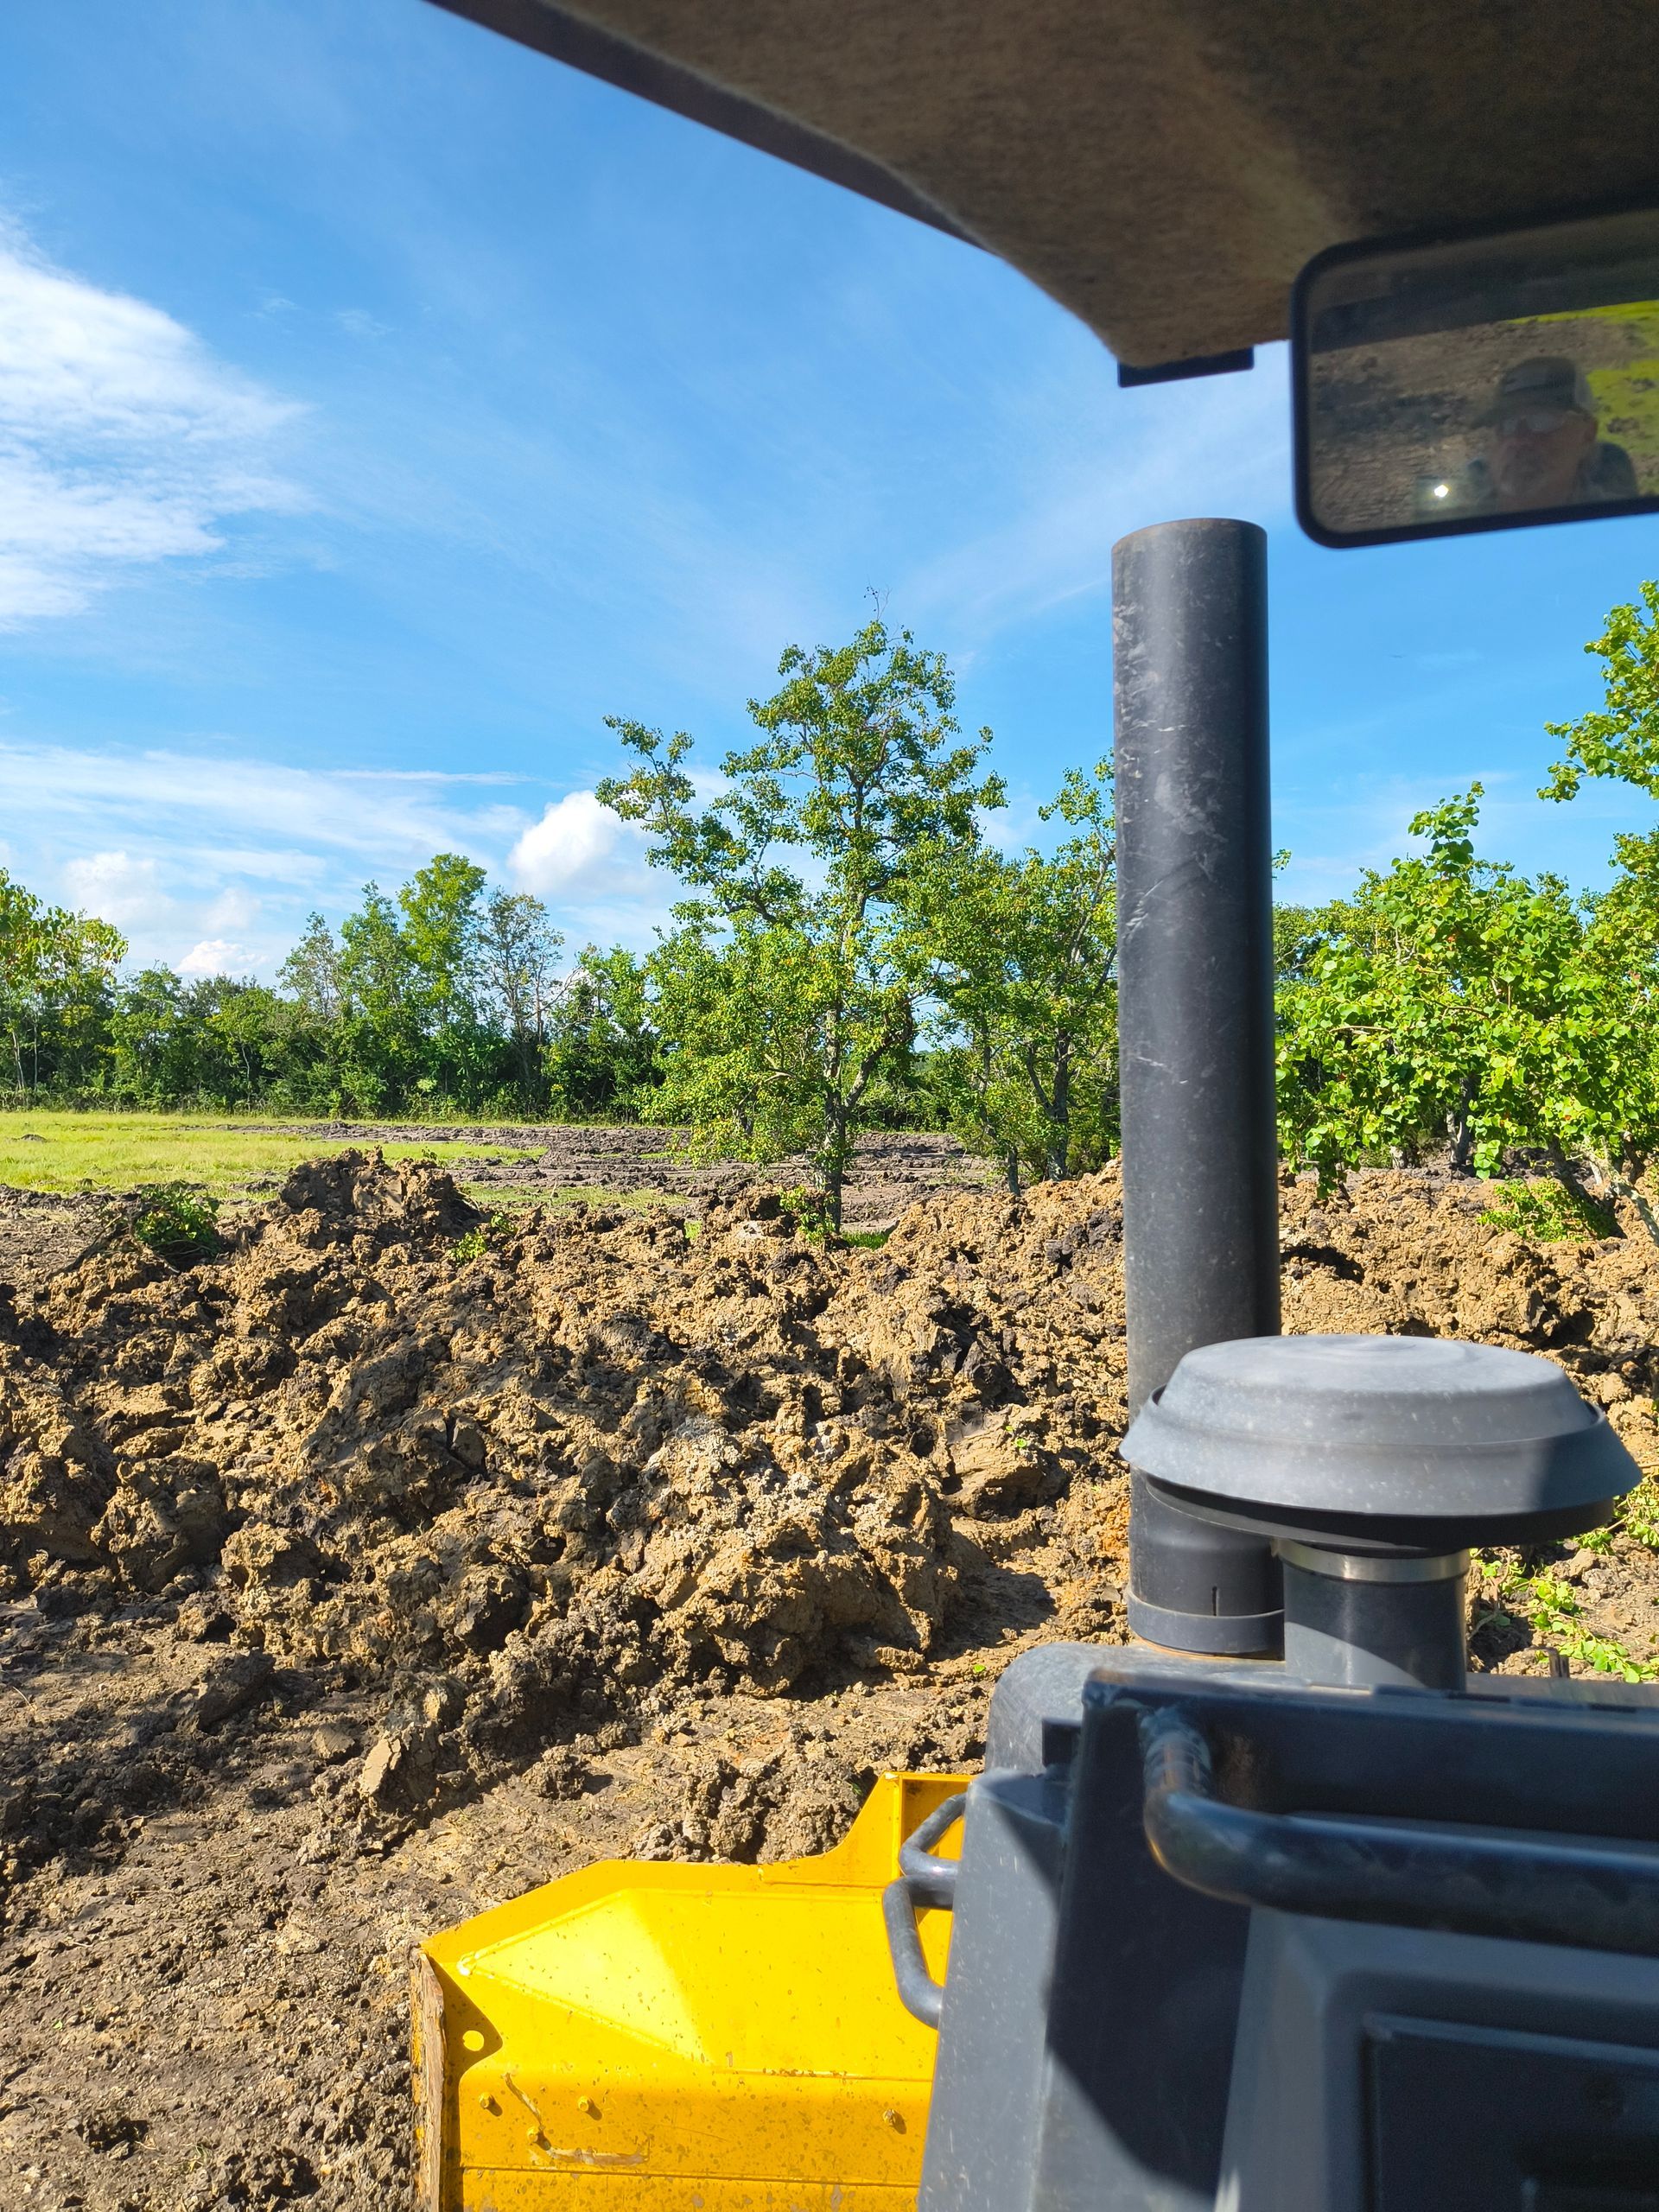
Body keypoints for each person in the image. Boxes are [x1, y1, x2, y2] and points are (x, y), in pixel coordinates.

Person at [1446, 355, 1638, 514]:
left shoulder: (1621, 525)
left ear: (1587, 434)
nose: (1519, 439)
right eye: (1507, 424)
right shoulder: (1452, 528)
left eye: (1542, 420)